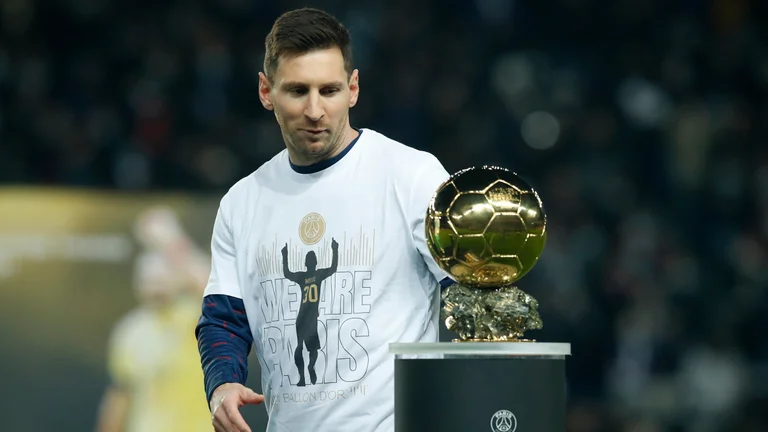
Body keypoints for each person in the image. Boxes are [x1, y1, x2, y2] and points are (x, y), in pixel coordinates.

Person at [194, 7, 454, 432]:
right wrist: (222, 384)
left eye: (329, 90)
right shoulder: (242, 203)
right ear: (265, 91)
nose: (315, 110)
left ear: (353, 89)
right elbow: (224, 317)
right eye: (297, 91)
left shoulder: (411, 176)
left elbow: (470, 299)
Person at [96, 206, 212, 432]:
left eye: (161, 277)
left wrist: (172, 241)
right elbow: (121, 394)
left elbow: (217, 294)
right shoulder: (130, 329)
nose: (154, 284)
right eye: (148, 278)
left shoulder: (194, 316)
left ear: (178, 278)